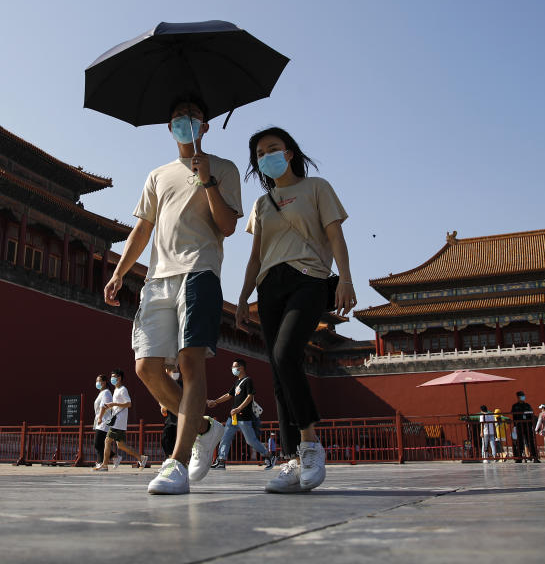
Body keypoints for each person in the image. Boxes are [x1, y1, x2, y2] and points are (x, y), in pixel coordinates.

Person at [104, 99, 242, 495]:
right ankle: (202, 426)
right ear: (170, 127)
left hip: (200, 271)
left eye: (193, 116)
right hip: (157, 278)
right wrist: (119, 272)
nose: (185, 122)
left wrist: (208, 180)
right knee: (146, 366)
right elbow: (142, 230)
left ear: (206, 126)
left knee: (190, 361)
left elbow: (228, 226)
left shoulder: (224, 168)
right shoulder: (157, 175)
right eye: (178, 117)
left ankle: (177, 463)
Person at [235, 127, 356, 493]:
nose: (266, 156)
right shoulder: (261, 204)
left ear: (289, 153)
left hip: (309, 279)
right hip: (270, 286)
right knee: (277, 371)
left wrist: (347, 278)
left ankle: (310, 445)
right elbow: (255, 255)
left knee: (287, 354)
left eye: (273, 149)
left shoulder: (316, 187)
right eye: (259, 153)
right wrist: (242, 296)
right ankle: (291, 460)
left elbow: (335, 235)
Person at [206, 359, 275, 470]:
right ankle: (221, 461)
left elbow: (250, 396)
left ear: (241, 367)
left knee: (250, 441)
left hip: (244, 417)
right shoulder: (237, 382)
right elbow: (229, 395)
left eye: (234, 367)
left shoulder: (248, 381)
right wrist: (215, 402)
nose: (232, 369)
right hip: (233, 417)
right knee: (225, 438)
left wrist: (238, 408)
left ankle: (268, 456)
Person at [94, 369, 148, 471]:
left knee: (107, 440)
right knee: (121, 445)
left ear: (119, 378)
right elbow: (119, 406)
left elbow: (129, 404)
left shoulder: (123, 389)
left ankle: (104, 465)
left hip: (119, 421)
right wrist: (110, 406)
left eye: (114, 377)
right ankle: (141, 458)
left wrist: (113, 404)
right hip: (118, 421)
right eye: (112, 377)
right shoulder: (116, 390)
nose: (112, 379)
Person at [92, 374, 116, 468]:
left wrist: (100, 418)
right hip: (100, 421)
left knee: (98, 443)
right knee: (101, 443)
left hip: (104, 421)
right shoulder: (102, 393)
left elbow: (104, 405)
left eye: (100, 381)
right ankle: (114, 457)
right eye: (96, 381)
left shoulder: (106, 392)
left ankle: (101, 463)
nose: (98, 383)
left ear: (105, 382)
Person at [511, 390, 540, 463]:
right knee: (519, 442)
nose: (523, 397)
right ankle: (519, 457)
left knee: (530, 441)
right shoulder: (515, 406)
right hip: (519, 426)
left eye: (523, 395)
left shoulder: (527, 405)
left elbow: (531, 413)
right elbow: (513, 414)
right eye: (521, 396)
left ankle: (534, 457)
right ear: (518, 397)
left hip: (528, 426)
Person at [160, 366, 182, 457]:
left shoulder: (182, 384)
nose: (175, 373)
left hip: (180, 415)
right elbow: (161, 398)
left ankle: (177, 459)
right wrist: (162, 406)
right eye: (173, 371)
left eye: (176, 371)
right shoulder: (166, 384)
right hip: (170, 417)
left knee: (180, 439)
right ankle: (170, 458)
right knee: (166, 438)